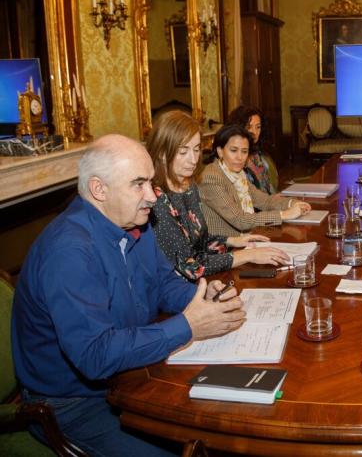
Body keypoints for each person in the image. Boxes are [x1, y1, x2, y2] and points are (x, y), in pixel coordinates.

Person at [11, 134, 247, 456]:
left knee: (225, 418)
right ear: (99, 189)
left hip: (129, 374)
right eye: (139, 184)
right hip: (73, 404)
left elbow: (163, 283)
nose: (152, 196)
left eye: (151, 182)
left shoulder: (136, 222)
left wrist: (201, 298)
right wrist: (189, 325)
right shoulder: (69, 251)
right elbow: (96, 355)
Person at [147, 111, 290, 281]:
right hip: (174, 293)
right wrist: (247, 255)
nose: (193, 159)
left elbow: (198, 242)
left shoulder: (189, 185)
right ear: (162, 152)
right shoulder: (156, 198)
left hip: (200, 284)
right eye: (183, 151)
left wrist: (231, 241)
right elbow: (190, 266)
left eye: (197, 149)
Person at [199, 125, 311, 237]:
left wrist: (292, 203)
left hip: (247, 238)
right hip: (225, 248)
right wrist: (285, 214)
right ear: (220, 151)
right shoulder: (212, 177)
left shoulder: (237, 174)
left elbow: (265, 201)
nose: (240, 157)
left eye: (244, 151)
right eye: (233, 150)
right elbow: (240, 220)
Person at [228, 105, 277, 194]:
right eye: (249, 127)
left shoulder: (260, 155)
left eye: (258, 127)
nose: (254, 132)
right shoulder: (235, 158)